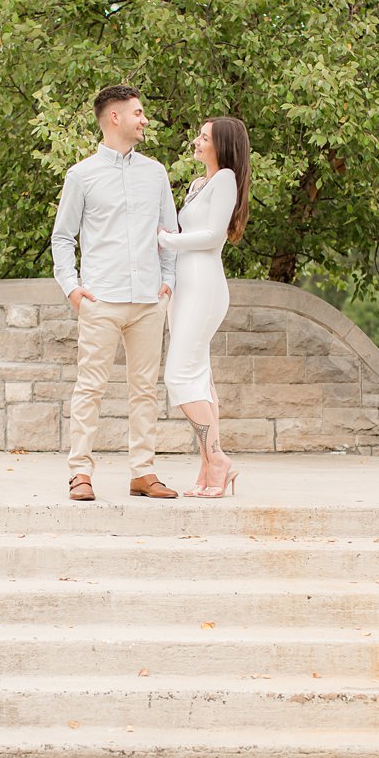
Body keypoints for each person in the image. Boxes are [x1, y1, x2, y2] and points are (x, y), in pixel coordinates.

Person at [51, 85, 181, 502]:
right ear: (115, 118)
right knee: (90, 387)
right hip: (101, 299)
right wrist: (72, 288)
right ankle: (79, 473)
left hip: (148, 300)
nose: (144, 120)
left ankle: (143, 472)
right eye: (138, 113)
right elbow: (62, 237)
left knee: (145, 389)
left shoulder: (155, 173)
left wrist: (168, 282)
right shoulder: (82, 175)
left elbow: (169, 234)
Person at [157, 117, 252, 498]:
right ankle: (208, 468)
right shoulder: (200, 184)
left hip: (204, 285)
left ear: (222, 146)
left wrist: (165, 239)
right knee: (198, 378)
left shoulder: (226, 179)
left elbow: (213, 236)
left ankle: (218, 458)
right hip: (186, 287)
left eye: (204, 137)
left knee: (178, 376)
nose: (196, 141)